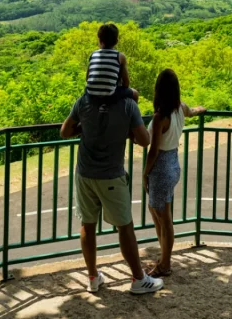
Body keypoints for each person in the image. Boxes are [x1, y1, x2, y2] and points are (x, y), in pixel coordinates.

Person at [60, 87, 164, 295]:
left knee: (87, 225)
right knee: (125, 226)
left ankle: (92, 278)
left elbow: (65, 132)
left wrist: (86, 127)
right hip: (110, 176)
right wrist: (126, 129)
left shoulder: (84, 101)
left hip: (84, 173)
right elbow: (145, 140)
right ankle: (138, 279)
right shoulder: (127, 105)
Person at [143, 69, 206, 277]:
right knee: (157, 212)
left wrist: (145, 173)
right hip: (173, 164)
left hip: (160, 168)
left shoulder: (161, 116)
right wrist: (200, 109)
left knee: (164, 218)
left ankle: (165, 264)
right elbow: (192, 111)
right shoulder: (180, 108)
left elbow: (153, 150)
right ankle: (163, 258)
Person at [85, 22, 140, 103]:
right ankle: (131, 115)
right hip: (110, 96)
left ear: (100, 40)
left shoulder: (93, 54)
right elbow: (126, 83)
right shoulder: (120, 56)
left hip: (90, 95)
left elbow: (87, 79)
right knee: (135, 94)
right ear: (116, 41)